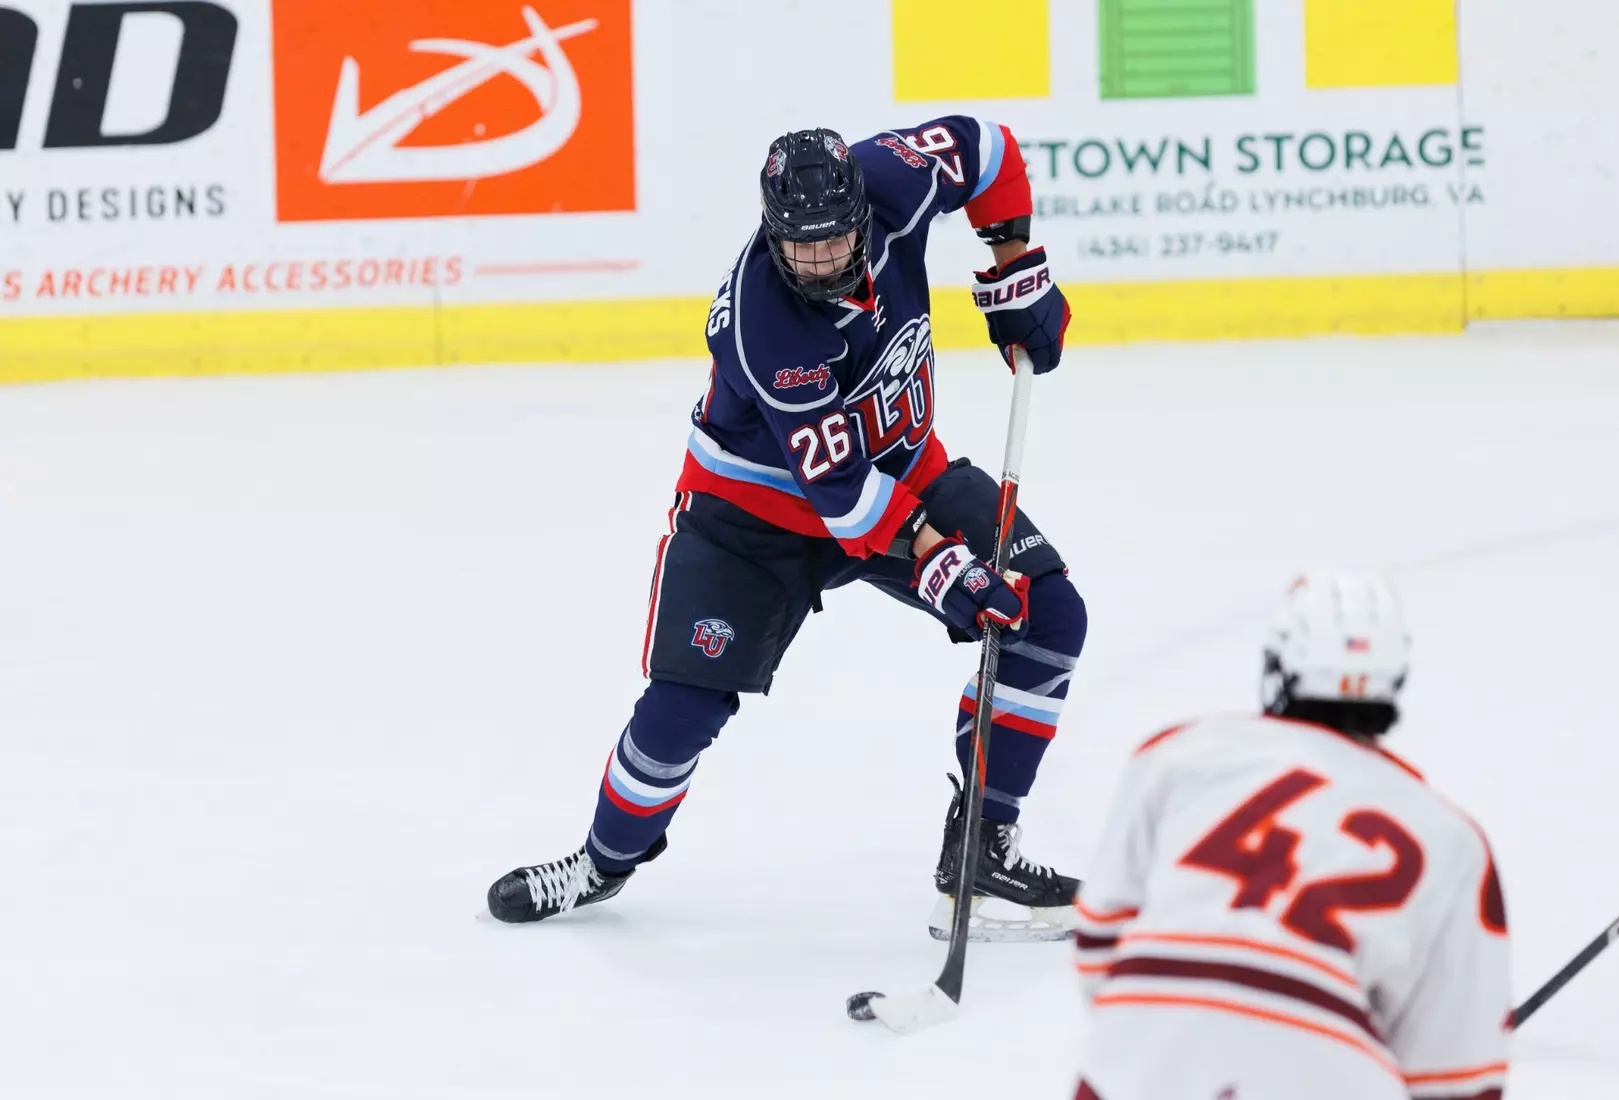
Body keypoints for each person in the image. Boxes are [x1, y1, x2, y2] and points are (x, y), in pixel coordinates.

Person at [485, 118, 1087, 941]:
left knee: (1046, 613)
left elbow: (990, 149)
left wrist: (1013, 263)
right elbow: (840, 497)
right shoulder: (765, 327)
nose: (819, 262)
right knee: (683, 707)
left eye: (836, 240)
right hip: (753, 516)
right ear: (772, 232)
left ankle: (981, 845)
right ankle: (600, 862)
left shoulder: (895, 178)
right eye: (798, 248)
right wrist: (942, 562)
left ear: (860, 211)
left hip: (903, 469)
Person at [1070, 572, 1511, 1100]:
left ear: (1278, 665)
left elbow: (1099, 943)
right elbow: (1458, 1075)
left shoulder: (1180, 754)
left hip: (1142, 1051)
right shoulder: (1452, 839)